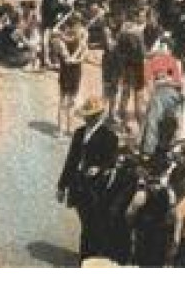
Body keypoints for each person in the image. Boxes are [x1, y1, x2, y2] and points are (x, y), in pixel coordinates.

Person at [58, 98, 119, 260]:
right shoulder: (79, 133)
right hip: (78, 184)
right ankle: (88, 256)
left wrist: (100, 168)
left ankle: (88, 258)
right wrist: (61, 186)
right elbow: (71, 160)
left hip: (97, 188)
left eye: (91, 116)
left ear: (98, 116)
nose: (87, 119)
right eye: (86, 116)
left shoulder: (109, 136)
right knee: (87, 223)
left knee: (93, 225)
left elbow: (112, 161)